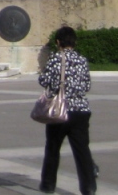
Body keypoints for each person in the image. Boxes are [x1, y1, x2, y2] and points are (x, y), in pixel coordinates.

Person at [38, 26, 95, 195]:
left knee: (53, 148)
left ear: (58, 42)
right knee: (82, 150)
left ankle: (48, 185)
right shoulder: (82, 60)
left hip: (59, 110)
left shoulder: (55, 59)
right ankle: (89, 187)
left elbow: (44, 81)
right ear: (74, 42)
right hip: (81, 111)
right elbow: (87, 85)